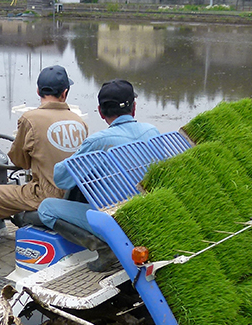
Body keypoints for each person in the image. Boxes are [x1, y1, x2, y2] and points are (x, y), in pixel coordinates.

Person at [0, 65, 88, 264]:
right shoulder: (79, 122)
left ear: (38, 91)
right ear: (65, 93)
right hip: (72, 196)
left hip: (45, 195)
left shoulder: (30, 119)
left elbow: (19, 161)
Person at [36, 79, 160, 271]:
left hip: (116, 222)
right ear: (134, 108)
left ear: (101, 112)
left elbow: (61, 179)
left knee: (46, 208)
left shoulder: (98, 142)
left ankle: (105, 248)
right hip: (147, 214)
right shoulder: (153, 132)